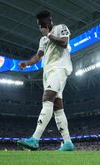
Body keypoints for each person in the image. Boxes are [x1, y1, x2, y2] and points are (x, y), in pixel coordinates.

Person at [17, 10, 74, 151]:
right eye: (38, 25)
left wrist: (48, 34)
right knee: (57, 108)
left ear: (49, 20)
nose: (40, 26)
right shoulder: (42, 40)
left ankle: (35, 139)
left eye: (42, 23)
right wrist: (27, 63)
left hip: (59, 69)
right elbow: (38, 56)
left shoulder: (61, 27)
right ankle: (68, 143)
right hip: (48, 73)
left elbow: (64, 43)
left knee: (47, 98)